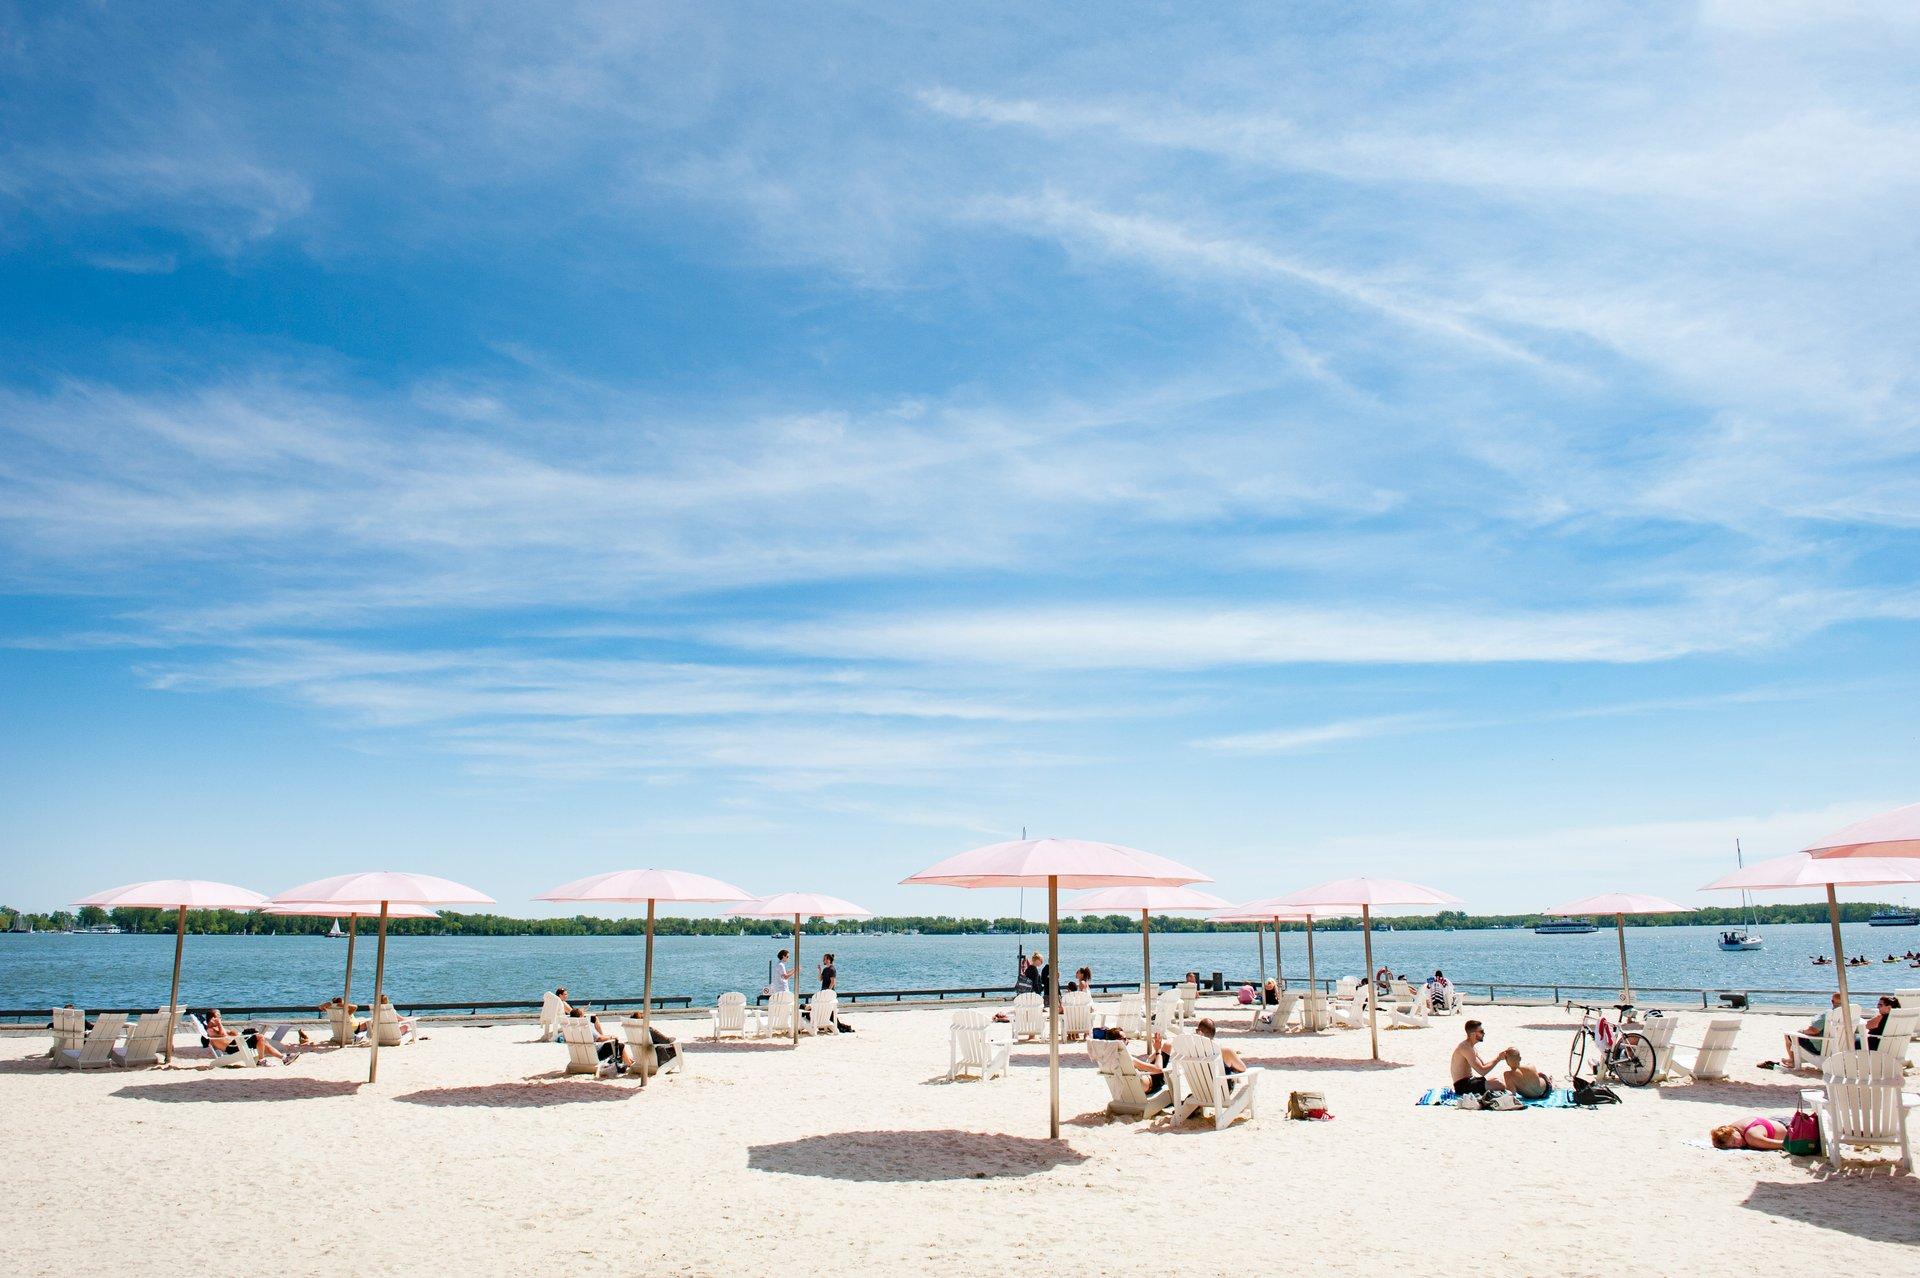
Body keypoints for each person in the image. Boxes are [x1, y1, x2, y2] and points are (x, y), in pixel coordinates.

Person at [1450, 1020, 1517, 1095]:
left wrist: (1499, 1057)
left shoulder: (1471, 1047)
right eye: (1481, 1031)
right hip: (1462, 1086)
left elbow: (1484, 1065)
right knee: (1499, 1084)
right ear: (1473, 1034)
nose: (1484, 1033)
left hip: (1470, 1081)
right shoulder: (1465, 1048)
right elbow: (1482, 1071)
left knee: (1499, 1079)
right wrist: (1498, 1059)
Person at [1782, 992, 1843, 1065]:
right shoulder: (1851, 1015)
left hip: (1822, 1049)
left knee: (1788, 1036)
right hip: (1841, 1048)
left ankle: (1792, 1060)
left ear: (1832, 1001)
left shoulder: (1828, 1014)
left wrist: (1802, 1031)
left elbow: (1813, 1031)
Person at [1711, 1117, 1786, 1150]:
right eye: (1733, 1147)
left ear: (1733, 1131)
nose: (1738, 1145)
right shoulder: (1733, 1127)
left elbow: (1786, 1144)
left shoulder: (1752, 1137)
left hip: (1788, 1127)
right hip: (1776, 1120)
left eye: (1734, 1141)